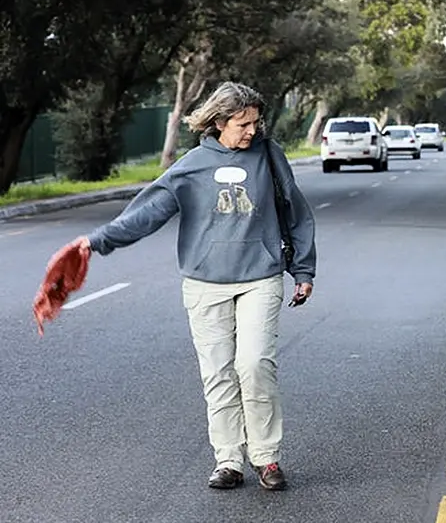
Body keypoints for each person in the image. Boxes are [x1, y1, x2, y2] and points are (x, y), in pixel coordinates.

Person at [60, 81, 317, 491]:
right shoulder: (194, 164)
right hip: (204, 283)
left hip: (260, 277)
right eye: (242, 123)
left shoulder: (269, 156)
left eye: (255, 122)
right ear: (218, 122)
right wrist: (95, 241)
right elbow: (147, 213)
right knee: (217, 373)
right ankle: (229, 460)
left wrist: (303, 271)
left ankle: (266, 457)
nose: (251, 130)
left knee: (254, 365)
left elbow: (296, 213)